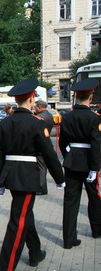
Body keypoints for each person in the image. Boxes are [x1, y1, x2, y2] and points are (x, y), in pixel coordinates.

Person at [0, 78, 65, 271]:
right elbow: (49, 153)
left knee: (25, 214)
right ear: (32, 98)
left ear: (16, 100)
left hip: (11, 175)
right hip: (26, 176)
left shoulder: (6, 122)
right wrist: (59, 178)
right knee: (18, 221)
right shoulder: (36, 123)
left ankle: (35, 252)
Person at [59, 78, 101, 249]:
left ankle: (69, 240)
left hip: (72, 162)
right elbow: (97, 144)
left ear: (76, 97)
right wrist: (95, 167)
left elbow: (62, 143)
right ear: (90, 97)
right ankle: (97, 230)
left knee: (70, 200)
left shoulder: (67, 117)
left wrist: (70, 153)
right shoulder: (94, 118)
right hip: (89, 161)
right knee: (94, 198)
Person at [34, 100, 54, 195]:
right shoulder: (49, 115)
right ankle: (42, 187)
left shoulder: (39, 118)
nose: (34, 109)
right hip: (46, 142)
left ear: (39, 107)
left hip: (39, 145)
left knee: (41, 167)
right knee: (43, 167)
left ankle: (41, 187)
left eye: (35, 107)